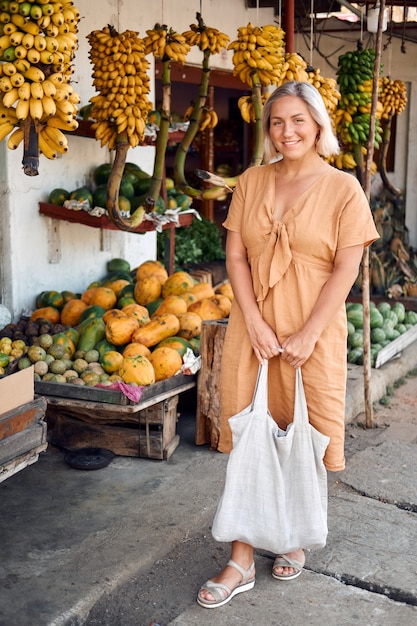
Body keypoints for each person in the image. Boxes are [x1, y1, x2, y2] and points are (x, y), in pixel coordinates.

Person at [197, 80, 380, 609]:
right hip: (255, 330)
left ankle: (295, 536)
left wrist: (307, 332)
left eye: (298, 120)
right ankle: (241, 557)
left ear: (318, 124)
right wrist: (252, 321)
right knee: (251, 433)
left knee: (306, 435)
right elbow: (234, 258)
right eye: (276, 121)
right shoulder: (252, 181)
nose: (286, 131)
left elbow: (347, 266)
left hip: (313, 331)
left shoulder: (344, 188)